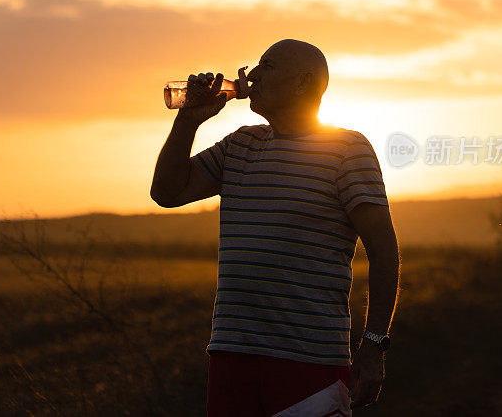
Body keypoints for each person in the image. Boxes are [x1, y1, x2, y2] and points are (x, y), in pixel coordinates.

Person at [151, 39, 400, 416]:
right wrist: (188, 119)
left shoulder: (347, 149)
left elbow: (384, 253)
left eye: (267, 66)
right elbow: (167, 193)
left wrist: (374, 342)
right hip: (232, 356)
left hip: (309, 359)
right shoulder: (240, 144)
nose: (251, 75)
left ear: (301, 83)